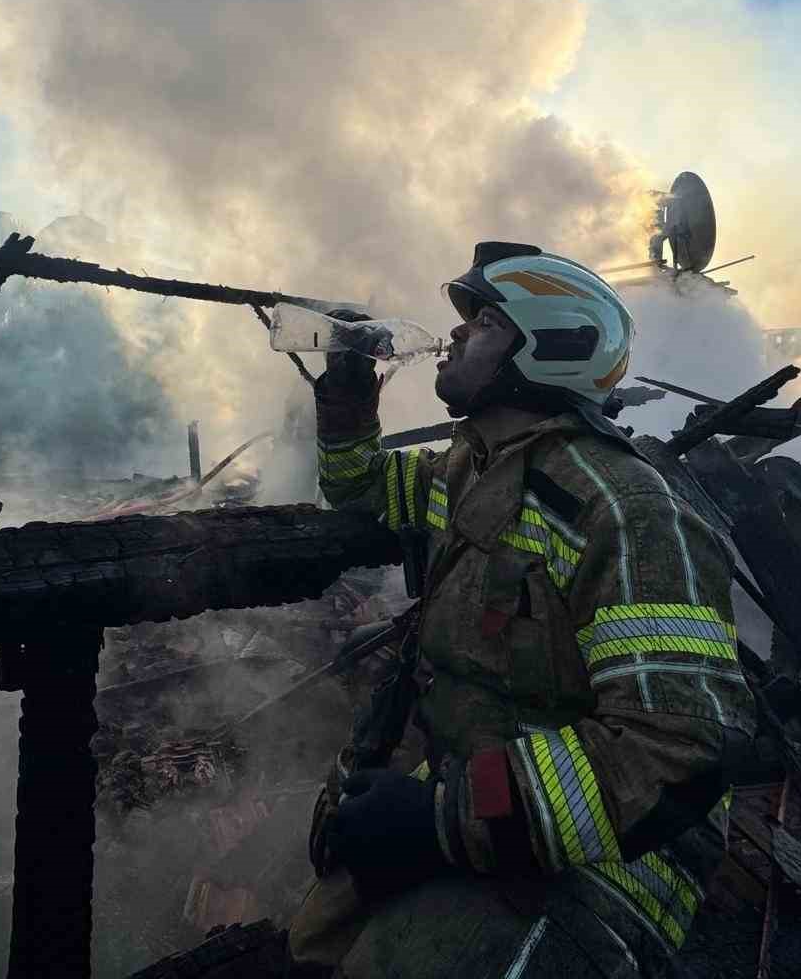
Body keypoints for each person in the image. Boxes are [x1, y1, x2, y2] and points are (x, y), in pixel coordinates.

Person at [287, 242, 756, 978]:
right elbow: (362, 488)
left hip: (605, 867)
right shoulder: (472, 472)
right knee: (314, 944)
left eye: (483, 323)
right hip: (483, 807)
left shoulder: (626, 510)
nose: (456, 334)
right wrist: (347, 399)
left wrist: (441, 818)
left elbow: (674, 747)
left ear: (550, 347)